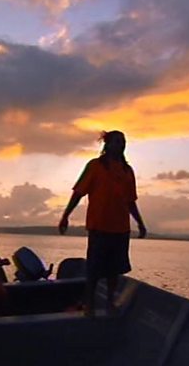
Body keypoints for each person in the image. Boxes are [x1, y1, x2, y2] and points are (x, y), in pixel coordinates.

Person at [59, 130, 146, 317]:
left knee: (115, 270)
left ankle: (109, 302)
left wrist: (140, 223)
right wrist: (66, 215)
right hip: (99, 227)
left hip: (121, 229)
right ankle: (89, 303)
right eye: (117, 141)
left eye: (123, 141)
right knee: (94, 269)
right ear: (107, 144)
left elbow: (130, 201)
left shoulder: (127, 171)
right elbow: (78, 193)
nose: (121, 144)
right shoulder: (95, 166)